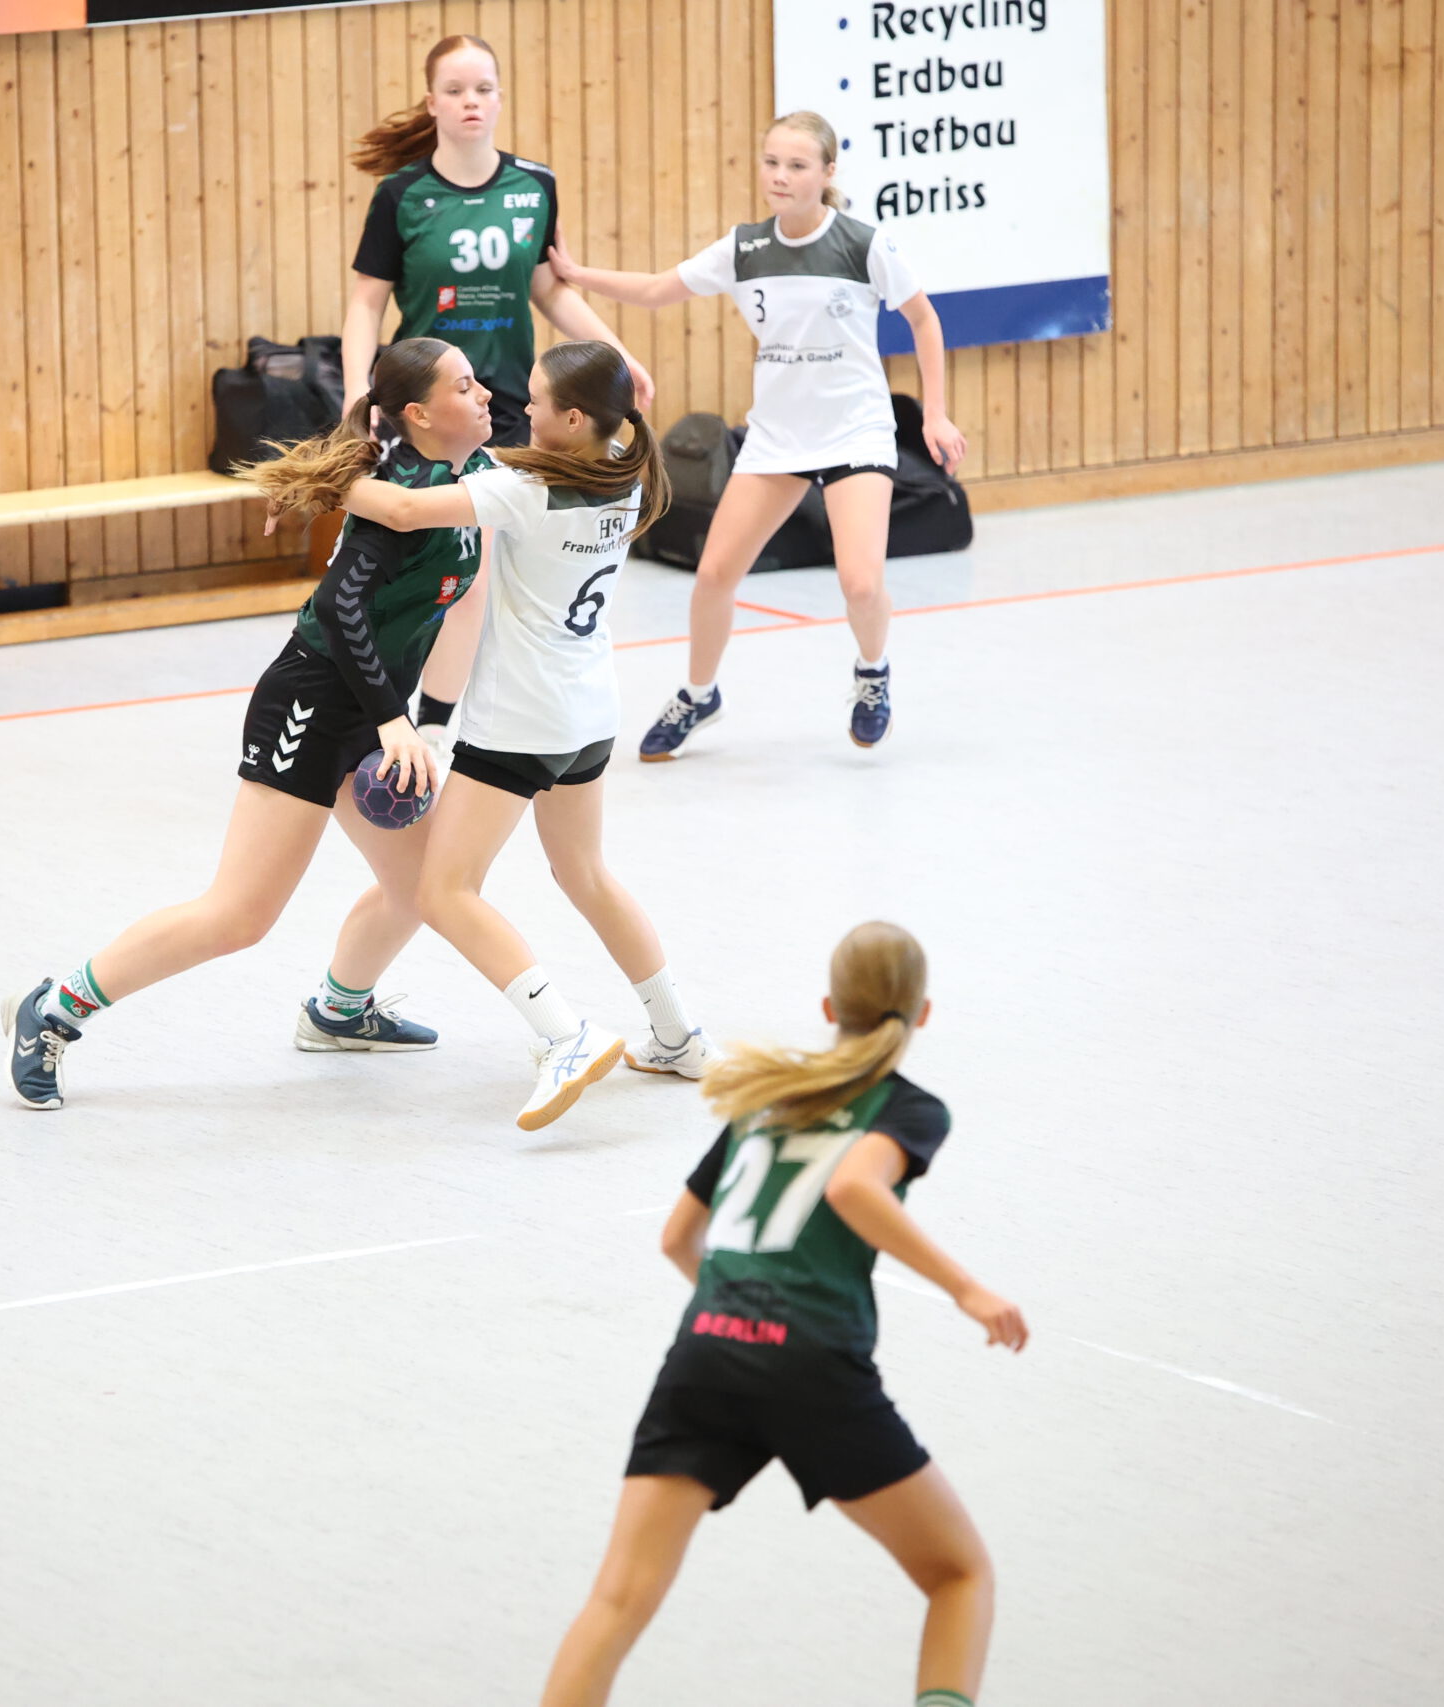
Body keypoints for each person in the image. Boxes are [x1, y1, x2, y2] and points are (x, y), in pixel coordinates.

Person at [539, 921, 1027, 1707]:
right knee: (959, 1573)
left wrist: (735, 1314)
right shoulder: (905, 1108)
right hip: (812, 1363)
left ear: (830, 1006)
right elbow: (853, 1187)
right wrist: (967, 1288)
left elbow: (677, 1239)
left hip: (705, 1352)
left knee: (618, 1599)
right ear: (923, 1013)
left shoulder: (764, 1100)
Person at [2, 339, 493, 1110]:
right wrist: (394, 721)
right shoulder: (397, 494)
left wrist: (427, 723)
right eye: (465, 386)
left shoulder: (474, 481)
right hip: (314, 701)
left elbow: (463, 603)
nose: (486, 394)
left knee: (429, 886)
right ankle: (56, 1008)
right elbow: (341, 608)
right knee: (238, 916)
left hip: (381, 712)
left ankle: (339, 1010)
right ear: (419, 414)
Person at [321, 341, 721, 1130]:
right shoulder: (628, 470)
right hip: (590, 714)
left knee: (443, 889)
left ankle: (562, 1037)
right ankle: (679, 1034)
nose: (521, 408)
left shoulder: (524, 489)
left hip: (519, 719)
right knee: (586, 873)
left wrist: (328, 476)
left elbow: (400, 510)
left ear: (572, 419)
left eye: (536, 401)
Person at [554, 112, 970, 757]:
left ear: (827, 173)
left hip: (857, 433)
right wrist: (578, 276)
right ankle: (699, 694)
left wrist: (935, 414)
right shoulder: (744, 249)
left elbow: (925, 319)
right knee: (715, 575)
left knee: (861, 583)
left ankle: (872, 674)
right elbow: (658, 290)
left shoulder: (863, 245)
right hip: (778, 439)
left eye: (797, 165)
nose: (780, 175)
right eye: (771, 162)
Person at [344, 33, 655, 759]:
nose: (471, 102)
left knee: (475, 577)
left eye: (483, 88)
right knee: (418, 568)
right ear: (432, 103)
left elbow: (549, 289)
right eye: (455, 90)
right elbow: (365, 303)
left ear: (500, 97)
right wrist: (360, 395)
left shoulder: (533, 186)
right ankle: (382, 708)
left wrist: (617, 353)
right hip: (426, 415)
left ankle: (434, 726)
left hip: (509, 411)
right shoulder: (401, 196)